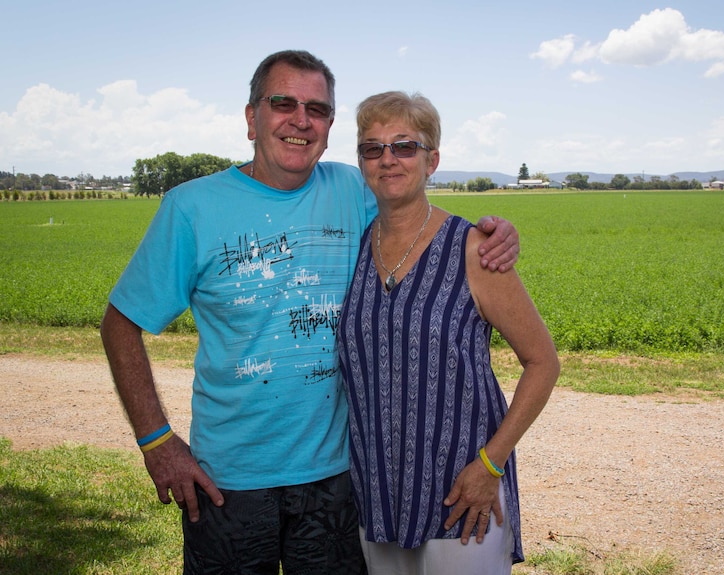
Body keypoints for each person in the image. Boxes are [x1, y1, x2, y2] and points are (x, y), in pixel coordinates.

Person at [100, 51, 520, 575]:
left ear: (328, 127)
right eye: (284, 103)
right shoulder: (191, 208)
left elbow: (421, 218)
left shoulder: (355, 189)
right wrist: (156, 441)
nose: (301, 120)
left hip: (338, 481)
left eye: (317, 109)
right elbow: (120, 323)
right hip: (228, 481)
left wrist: (494, 233)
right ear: (252, 117)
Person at [337, 91, 560, 574]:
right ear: (361, 162)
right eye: (372, 148)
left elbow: (543, 363)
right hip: (376, 495)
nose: (388, 159)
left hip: (464, 494)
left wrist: (491, 465)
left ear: (432, 159)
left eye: (404, 146)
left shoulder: (475, 249)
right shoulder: (352, 249)